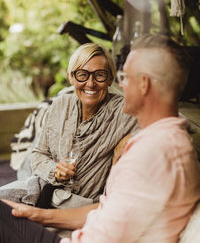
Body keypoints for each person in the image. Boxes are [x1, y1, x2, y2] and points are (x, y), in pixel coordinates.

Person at [1, 33, 200, 243]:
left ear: (144, 84)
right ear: (71, 76)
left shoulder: (154, 152)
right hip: (56, 203)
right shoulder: (160, 142)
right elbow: (108, 212)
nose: (120, 86)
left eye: (124, 77)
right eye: (82, 75)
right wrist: (38, 216)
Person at [0, 43, 137, 209]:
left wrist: (130, 139)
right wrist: (55, 170)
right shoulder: (60, 105)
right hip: (43, 189)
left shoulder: (124, 110)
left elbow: (163, 121)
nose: (90, 83)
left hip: (80, 206)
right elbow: (38, 155)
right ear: (71, 77)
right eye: (82, 75)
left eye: (99, 75)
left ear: (110, 78)